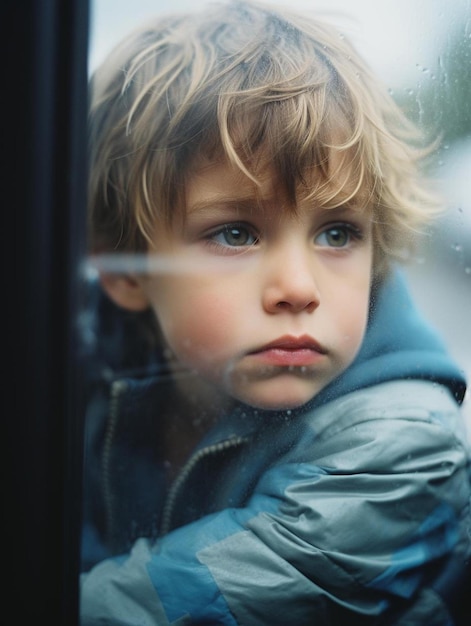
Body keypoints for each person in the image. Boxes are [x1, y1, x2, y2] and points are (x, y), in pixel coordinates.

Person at [79, 1, 471, 624]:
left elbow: (151, 610)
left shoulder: (400, 445)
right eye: (236, 234)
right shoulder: (75, 355)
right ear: (126, 271)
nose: (298, 287)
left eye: (338, 233)